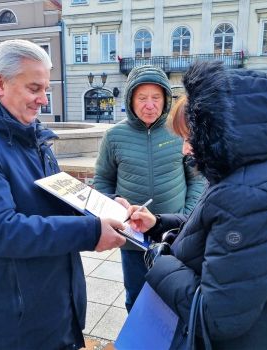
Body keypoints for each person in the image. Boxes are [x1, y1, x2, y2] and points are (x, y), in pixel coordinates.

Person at [0, 39, 126, 350]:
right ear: (0, 83)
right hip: (14, 323)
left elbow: (58, 197)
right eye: (34, 88)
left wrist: (102, 209)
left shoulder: (31, 136)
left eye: (45, 89)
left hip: (53, 307)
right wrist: (91, 231)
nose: (43, 99)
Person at [128, 60, 267, 349]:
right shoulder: (239, 171)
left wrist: (160, 262)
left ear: (216, 135)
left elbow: (217, 316)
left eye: (189, 138)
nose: (185, 149)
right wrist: (159, 224)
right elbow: (213, 226)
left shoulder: (251, 197)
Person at [94, 65, 206, 312]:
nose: (149, 105)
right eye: (142, 98)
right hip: (134, 238)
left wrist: (186, 216)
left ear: (166, 99)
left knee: (176, 299)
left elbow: (197, 178)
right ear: (131, 100)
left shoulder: (178, 131)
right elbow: (102, 181)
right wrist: (115, 203)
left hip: (174, 234)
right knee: (136, 297)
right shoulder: (114, 136)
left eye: (156, 97)